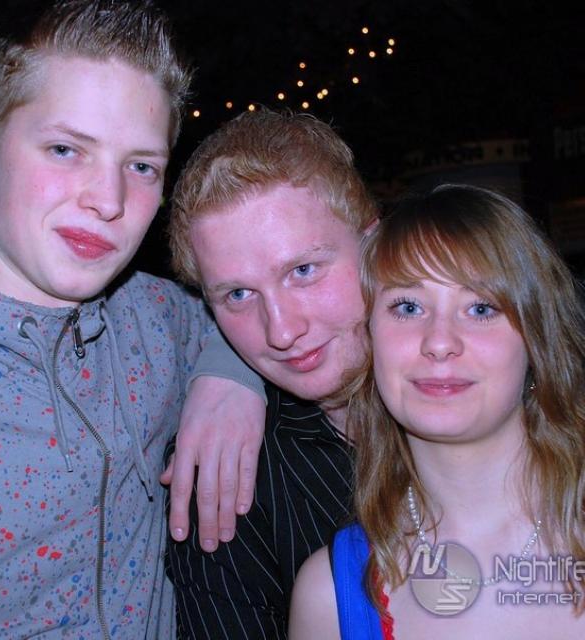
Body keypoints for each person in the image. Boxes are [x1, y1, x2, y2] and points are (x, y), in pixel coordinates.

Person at [0, 2, 267, 637]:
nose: (109, 200)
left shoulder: (156, 316)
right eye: (66, 149)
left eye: (141, 166)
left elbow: (253, 318)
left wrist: (231, 378)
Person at [289, 184, 585, 639]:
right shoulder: (329, 596)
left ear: (537, 339)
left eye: (481, 308)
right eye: (408, 307)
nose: (440, 342)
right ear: (369, 337)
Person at [166, 108, 379, 638]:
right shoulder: (224, 477)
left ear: (374, 245)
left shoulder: (516, 385)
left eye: (303, 271)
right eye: (238, 294)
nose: (281, 331)